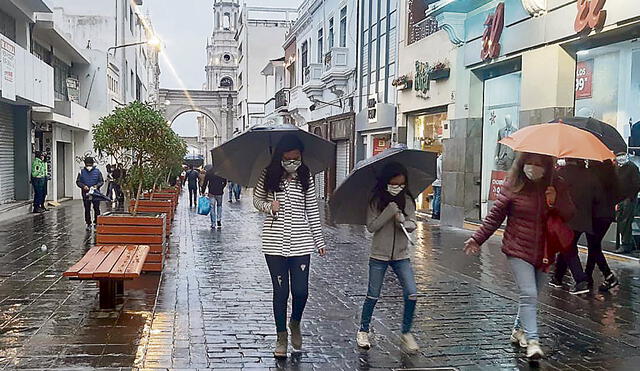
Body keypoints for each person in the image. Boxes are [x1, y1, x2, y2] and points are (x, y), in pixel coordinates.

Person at [464, 152, 575, 361]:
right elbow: (495, 215)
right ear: (521, 164)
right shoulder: (513, 184)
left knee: (531, 295)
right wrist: (477, 238)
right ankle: (533, 342)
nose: (533, 167)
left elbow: (569, 214)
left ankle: (518, 330)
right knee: (529, 293)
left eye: (538, 164)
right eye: (529, 163)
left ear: (547, 166)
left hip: (545, 250)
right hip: (518, 248)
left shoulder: (556, 184)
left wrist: (555, 201)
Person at [253, 134, 327, 359]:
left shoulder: (306, 176)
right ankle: (281, 336)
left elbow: (312, 210)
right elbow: (257, 201)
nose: (292, 162)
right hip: (274, 243)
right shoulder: (268, 175)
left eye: (296, 158)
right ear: (280, 157)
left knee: (301, 291)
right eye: (288, 158)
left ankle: (295, 322)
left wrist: (319, 240)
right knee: (281, 292)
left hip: (301, 242)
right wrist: (269, 206)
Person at [355, 162, 420, 354]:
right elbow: (371, 226)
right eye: (394, 184)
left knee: (412, 292)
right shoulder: (375, 201)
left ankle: (406, 332)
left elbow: (413, 222)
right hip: (379, 255)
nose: (397, 187)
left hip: (401, 255)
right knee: (373, 294)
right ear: (386, 182)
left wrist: (405, 223)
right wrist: (388, 213)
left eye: (401, 184)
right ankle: (363, 330)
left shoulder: (407, 200)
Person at [550, 159, 592, 295]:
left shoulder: (560, 175)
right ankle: (557, 277)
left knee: (569, 249)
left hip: (567, 219)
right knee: (566, 246)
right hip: (583, 219)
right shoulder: (588, 174)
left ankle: (581, 280)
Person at [583, 160, 619, 291]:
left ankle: (608, 275)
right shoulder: (613, 177)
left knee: (594, 247)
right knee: (594, 246)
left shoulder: (593, 176)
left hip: (595, 215)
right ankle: (587, 276)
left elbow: (591, 197)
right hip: (607, 216)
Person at [615, 155, 640, 253]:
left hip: (628, 199)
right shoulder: (617, 167)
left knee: (625, 222)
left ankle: (626, 244)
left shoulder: (632, 167)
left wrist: (630, 197)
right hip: (620, 199)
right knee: (621, 220)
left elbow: (637, 184)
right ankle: (625, 243)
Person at [76, 157, 104, 231]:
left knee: (96, 208)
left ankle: (96, 223)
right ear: (85, 164)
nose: (88, 166)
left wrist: (97, 186)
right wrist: (83, 186)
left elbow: (101, 181)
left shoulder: (98, 172)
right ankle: (88, 223)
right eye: (87, 164)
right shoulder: (81, 172)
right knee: (87, 209)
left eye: (90, 164)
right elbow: (78, 182)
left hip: (95, 193)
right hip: (86, 193)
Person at [201, 164, 227, 229]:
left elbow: (205, 183)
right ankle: (219, 219)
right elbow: (225, 181)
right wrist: (222, 187)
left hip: (211, 192)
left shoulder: (209, 173)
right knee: (219, 206)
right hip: (219, 192)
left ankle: (213, 223)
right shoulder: (221, 172)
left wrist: (203, 191)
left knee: (212, 208)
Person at [431, 152, 442, 220]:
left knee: (435, 197)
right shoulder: (440, 161)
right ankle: (436, 212)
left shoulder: (435, 161)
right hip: (439, 182)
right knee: (438, 197)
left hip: (434, 182)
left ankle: (434, 211)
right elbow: (441, 172)